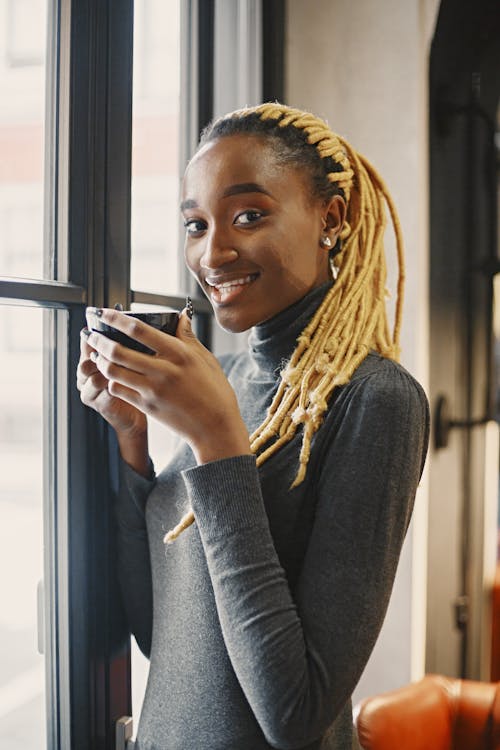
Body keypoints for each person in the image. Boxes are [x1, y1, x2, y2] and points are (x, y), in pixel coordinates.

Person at [76, 103, 429, 750]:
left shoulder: (376, 401)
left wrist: (217, 443)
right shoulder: (226, 378)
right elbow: (168, 639)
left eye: (248, 216)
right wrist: (131, 441)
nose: (212, 251)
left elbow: (294, 714)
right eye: (195, 224)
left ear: (332, 218)